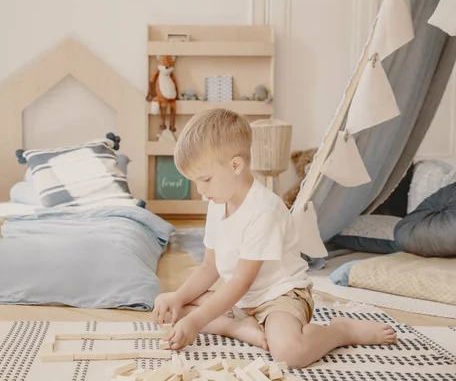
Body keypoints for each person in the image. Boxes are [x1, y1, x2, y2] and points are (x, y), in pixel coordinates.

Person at [152, 108, 398, 369]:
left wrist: (195, 323)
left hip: (279, 296)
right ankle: (239, 329)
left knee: (289, 354)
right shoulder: (217, 202)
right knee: (176, 311)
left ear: (236, 165)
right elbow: (209, 268)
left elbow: (240, 282)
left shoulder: (264, 210)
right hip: (243, 301)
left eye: (205, 180)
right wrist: (177, 297)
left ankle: (341, 331)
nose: (200, 191)